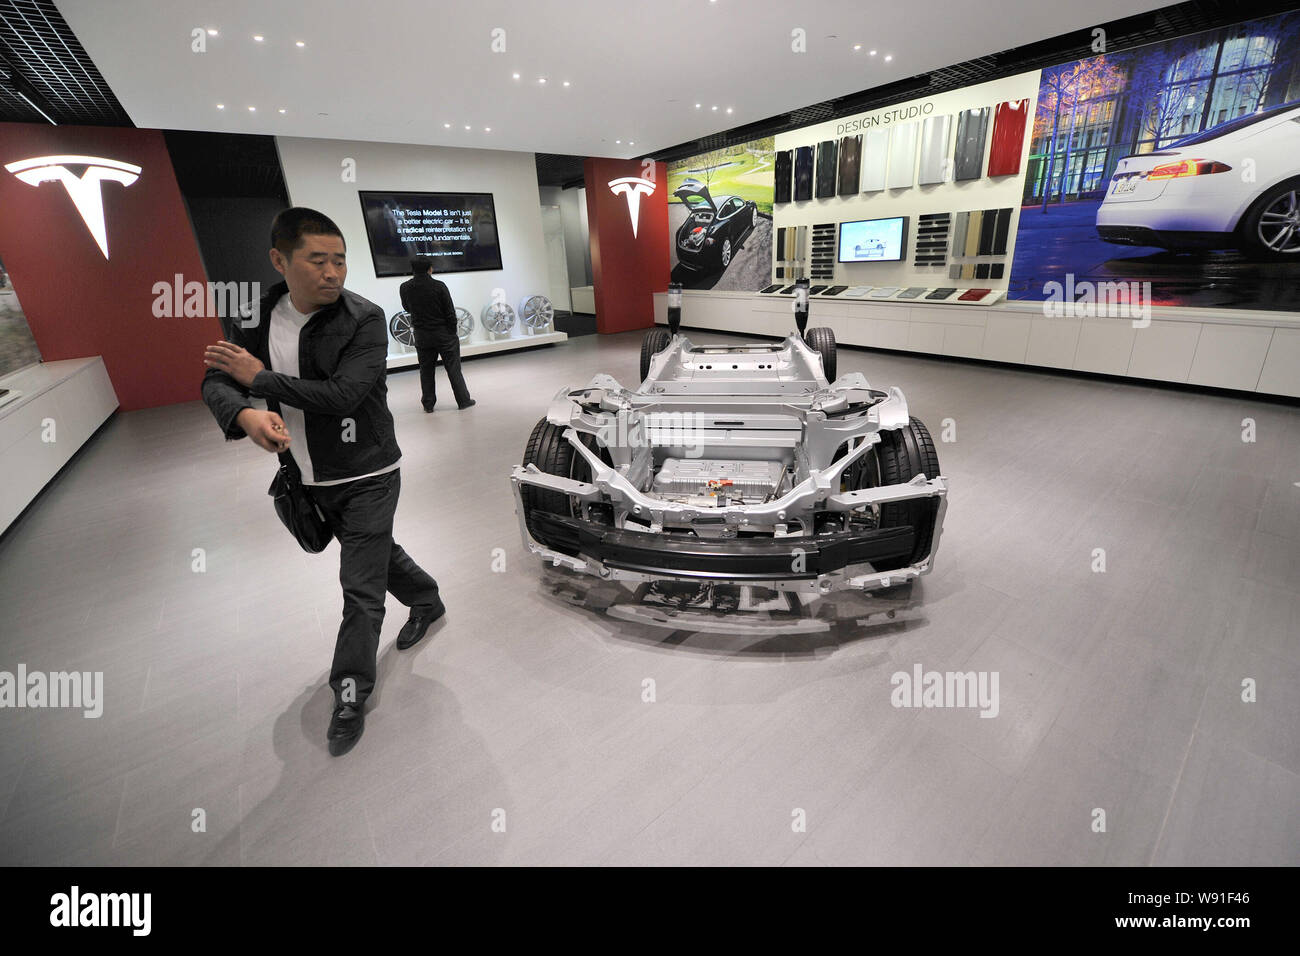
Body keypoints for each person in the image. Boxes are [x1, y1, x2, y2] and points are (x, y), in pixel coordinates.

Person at [201, 207, 445, 757]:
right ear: (279, 260)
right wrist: (244, 414)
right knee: (375, 553)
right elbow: (217, 380)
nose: (333, 272)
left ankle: (350, 692)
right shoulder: (258, 315)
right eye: (318, 260)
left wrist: (258, 380)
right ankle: (427, 599)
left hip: (369, 473)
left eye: (340, 260)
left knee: (359, 589)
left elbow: (343, 396)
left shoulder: (364, 318)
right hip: (306, 475)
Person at [398, 256, 475, 412]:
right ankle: (463, 401)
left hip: (421, 335)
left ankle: (428, 404)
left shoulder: (405, 287)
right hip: (443, 334)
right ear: (430, 269)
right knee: (453, 369)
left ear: (413, 269)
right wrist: (452, 333)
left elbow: (407, 308)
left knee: (426, 371)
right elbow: (450, 312)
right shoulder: (439, 286)